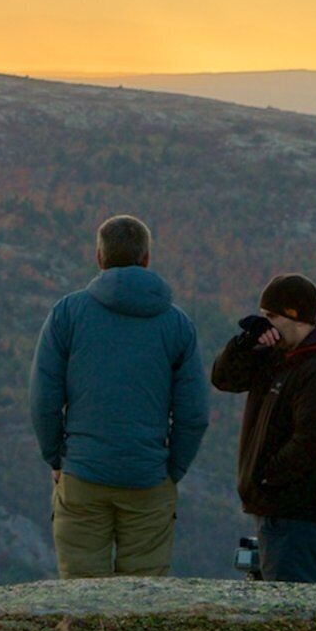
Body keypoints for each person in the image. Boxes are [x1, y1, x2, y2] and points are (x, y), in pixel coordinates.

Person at [28, 213, 210, 578]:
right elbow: (193, 414)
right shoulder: (176, 325)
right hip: (148, 478)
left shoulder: (68, 314)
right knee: (142, 602)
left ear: (99, 258)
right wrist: (170, 471)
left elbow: (44, 399)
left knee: (82, 595)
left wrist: (57, 458)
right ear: (146, 259)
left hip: (82, 475)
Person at [208, 273, 316, 584]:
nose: (265, 324)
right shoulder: (278, 358)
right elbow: (224, 379)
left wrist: (265, 476)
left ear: (293, 315)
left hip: (300, 514)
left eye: (270, 316)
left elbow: (312, 442)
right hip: (278, 510)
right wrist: (243, 344)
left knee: (296, 612)